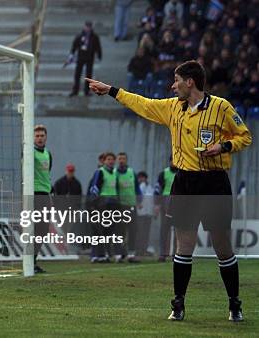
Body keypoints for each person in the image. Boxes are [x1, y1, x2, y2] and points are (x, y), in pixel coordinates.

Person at [87, 60, 252, 321]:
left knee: (222, 245)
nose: (172, 86)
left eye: (176, 81)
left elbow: (245, 136)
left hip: (214, 182)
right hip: (184, 181)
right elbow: (142, 103)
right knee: (183, 244)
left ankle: (234, 303)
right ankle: (178, 304)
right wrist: (111, 90)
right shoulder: (173, 108)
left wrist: (223, 147)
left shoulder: (221, 107)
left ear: (190, 82)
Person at [88, 152, 118, 263]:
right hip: (102, 205)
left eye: (112, 159)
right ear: (104, 161)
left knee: (108, 231)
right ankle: (96, 255)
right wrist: (94, 204)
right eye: (108, 159)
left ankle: (104, 254)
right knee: (99, 230)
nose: (110, 161)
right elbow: (94, 188)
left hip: (113, 204)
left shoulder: (115, 173)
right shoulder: (100, 172)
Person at [33, 125, 53, 273]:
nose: (40, 138)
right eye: (37, 136)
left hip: (45, 195)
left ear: (46, 137)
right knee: (33, 228)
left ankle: (32, 261)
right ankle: (29, 261)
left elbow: (47, 174)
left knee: (43, 230)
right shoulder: (30, 153)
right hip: (34, 194)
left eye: (42, 136)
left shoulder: (48, 154)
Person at [116, 152, 142, 263]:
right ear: (118, 160)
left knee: (132, 230)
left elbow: (137, 188)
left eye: (123, 158)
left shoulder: (132, 172)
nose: (121, 160)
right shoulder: (114, 173)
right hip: (120, 206)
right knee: (119, 231)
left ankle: (131, 254)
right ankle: (119, 254)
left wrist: (139, 200)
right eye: (120, 158)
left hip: (131, 205)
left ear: (126, 160)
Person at [68, 21, 102, 97]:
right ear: (84, 27)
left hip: (90, 58)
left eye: (89, 27)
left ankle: (86, 91)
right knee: (77, 74)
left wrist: (99, 55)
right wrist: (71, 54)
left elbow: (98, 47)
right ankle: (75, 90)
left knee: (88, 75)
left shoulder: (94, 37)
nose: (88, 29)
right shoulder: (80, 36)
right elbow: (74, 45)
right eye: (87, 27)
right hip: (81, 57)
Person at [155, 156, 178, 262]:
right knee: (164, 230)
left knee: (178, 230)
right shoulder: (163, 173)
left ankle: (176, 254)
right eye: (172, 160)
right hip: (166, 203)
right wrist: (157, 204)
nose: (174, 162)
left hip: (179, 203)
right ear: (169, 161)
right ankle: (162, 254)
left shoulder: (182, 173)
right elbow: (157, 190)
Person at [135, 171, 155, 257]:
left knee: (146, 232)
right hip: (140, 214)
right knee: (140, 232)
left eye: (142, 177)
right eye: (139, 178)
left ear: (145, 178)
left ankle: (144, 249)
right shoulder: (138, 187)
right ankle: (138, 249)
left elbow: (153, 201)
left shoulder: (150, 188)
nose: (141, 179)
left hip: (148, 213)